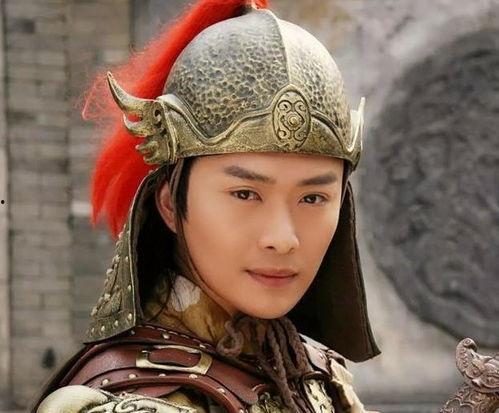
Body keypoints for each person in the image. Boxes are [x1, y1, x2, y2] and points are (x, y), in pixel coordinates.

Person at [32, 0, 380, 411]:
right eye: (245, 194)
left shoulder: (318, 377)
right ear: (169, 203)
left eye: (312, 198)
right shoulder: (128, 403)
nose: (283, 238)